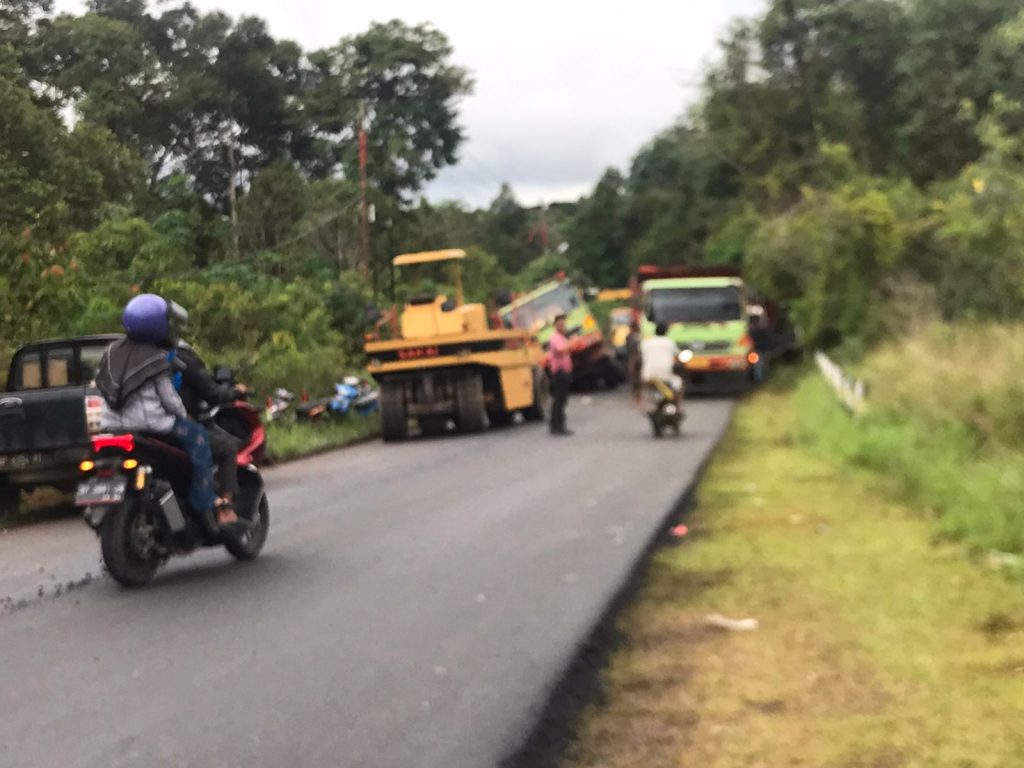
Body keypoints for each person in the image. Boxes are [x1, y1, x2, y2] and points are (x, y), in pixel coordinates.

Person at [95, 295, 236, 530]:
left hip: (112, 425)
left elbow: (100, 386)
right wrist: (184, 416)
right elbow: (170, 399)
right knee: (200, 439)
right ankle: (205, 501)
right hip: (154, 426)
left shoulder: (111, 352)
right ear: (159, 326)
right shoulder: (157, 358)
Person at [175, 341, 246, 521]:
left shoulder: (122, 356)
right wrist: (233, 392)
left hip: (130, 430)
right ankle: (225, 509)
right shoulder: (178, 357)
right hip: (173, 425)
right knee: (227, 447)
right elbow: (211, 392)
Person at [640, 323, 684, 408]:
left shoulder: (646, 342)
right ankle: (678, 406)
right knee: (679, 384)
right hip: (666, 375)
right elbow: (678, 356)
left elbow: (640, 357)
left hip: (648, 375)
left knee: (644, 388)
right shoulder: (669, 342)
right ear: (666, 332)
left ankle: (643, 403)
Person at [548, 313, 573, 436]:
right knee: (559, 399)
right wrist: (572, 342)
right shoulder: (555, 338)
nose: (562, 325)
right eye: (560, 323)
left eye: (563, 323)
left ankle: (559, 425)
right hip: (559, 372)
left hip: (565, 371)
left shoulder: (563, 337)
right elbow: (560, 350)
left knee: (562, 400)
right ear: (556, 325)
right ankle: (557, 426)